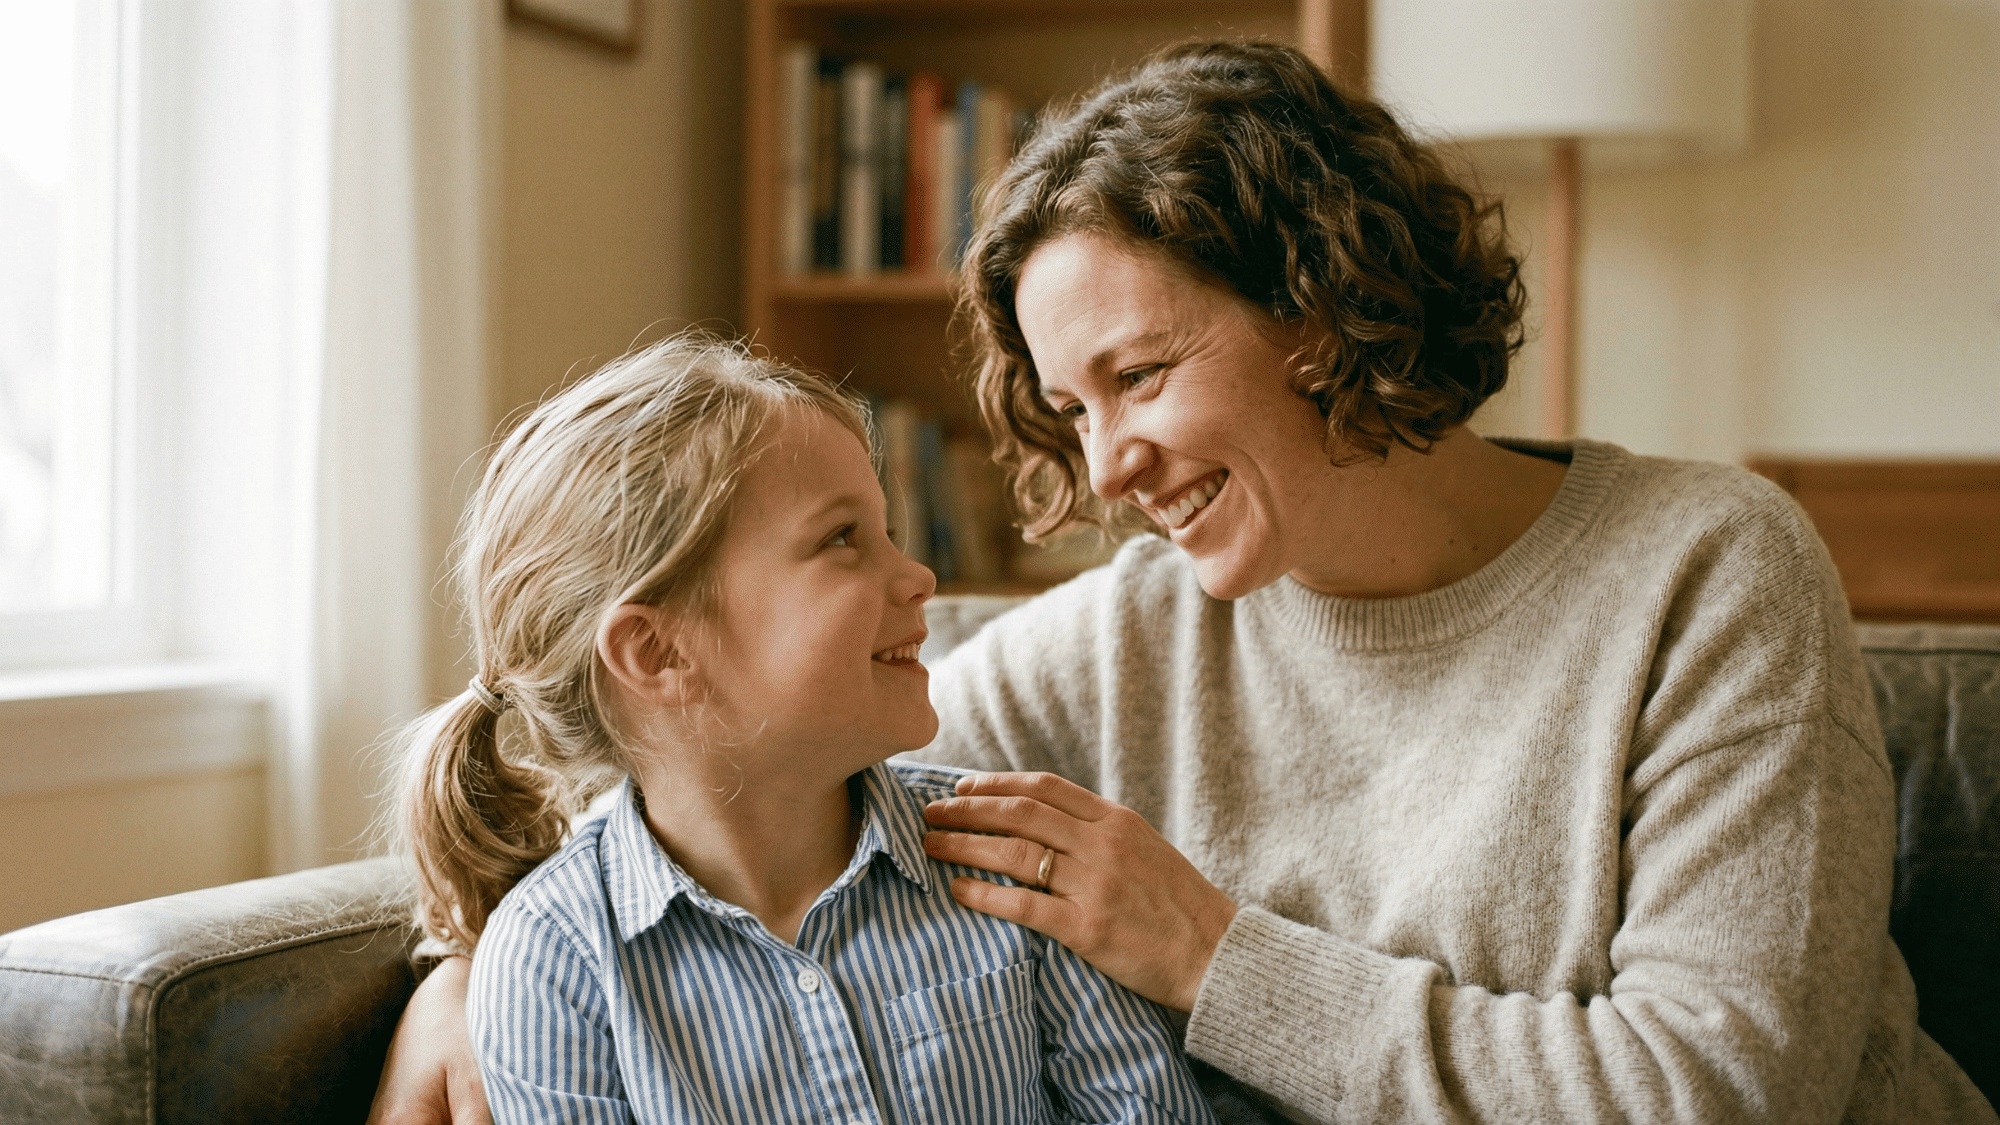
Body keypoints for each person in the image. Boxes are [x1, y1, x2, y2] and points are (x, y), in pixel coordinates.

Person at [371, 41, 1997, 1125]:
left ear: (1324, 301)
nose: (1101, 473)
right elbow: (725, 750)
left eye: (1141, 375)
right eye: (1069, 412)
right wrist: (477, 970)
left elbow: (1721, 1095)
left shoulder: (1706, 571)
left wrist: (1214, 956)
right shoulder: (1100, 655)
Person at [384, 336, 1219, 1125]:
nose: (920, 576)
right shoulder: (553, 962)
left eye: (887, 530)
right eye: (844, 538)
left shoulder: (1015, 861)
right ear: (658, 650)